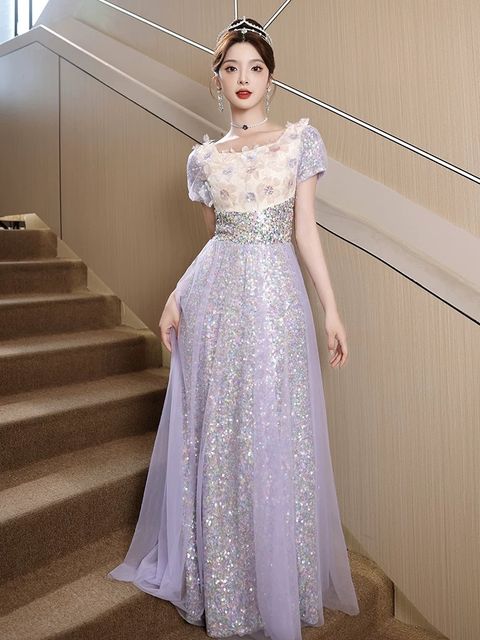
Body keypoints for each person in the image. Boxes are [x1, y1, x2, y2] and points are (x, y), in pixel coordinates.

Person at [106, 16, 360, 640]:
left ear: (271, 79)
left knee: (274, 435)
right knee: (225, 439)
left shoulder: (299, 141)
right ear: (216, 80)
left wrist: (331, 309)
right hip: (220, 310)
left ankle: (277, 580)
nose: (243, 78)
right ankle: (228, 584)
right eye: (231, 68)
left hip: (278, 306)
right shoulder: (203, 160)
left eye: (255, 67)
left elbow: (305, 232)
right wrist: (176, 297)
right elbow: (218, 243)